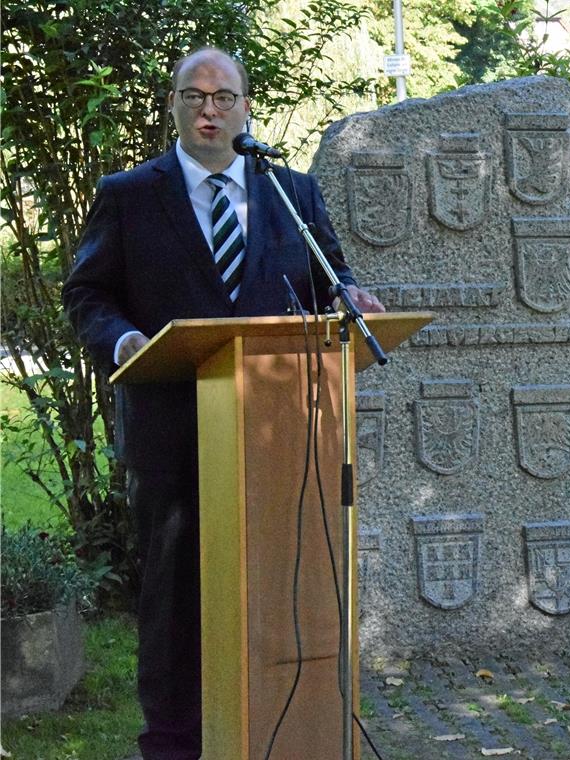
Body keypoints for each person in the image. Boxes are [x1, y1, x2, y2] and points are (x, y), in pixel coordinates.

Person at [62, 47, 382, 760]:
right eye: (195, 95)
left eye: (224, 96)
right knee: (175, 600)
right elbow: (87, 292)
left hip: (281, 441)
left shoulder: (291, 192)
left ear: (246, 107)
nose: (210, 110)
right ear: (172, 104)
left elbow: (331, 275)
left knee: (285, 581)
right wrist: (124, 344)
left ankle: (282, 727)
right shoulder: (130, 195)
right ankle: (174, 743)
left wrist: (348, 296)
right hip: (173, 430)